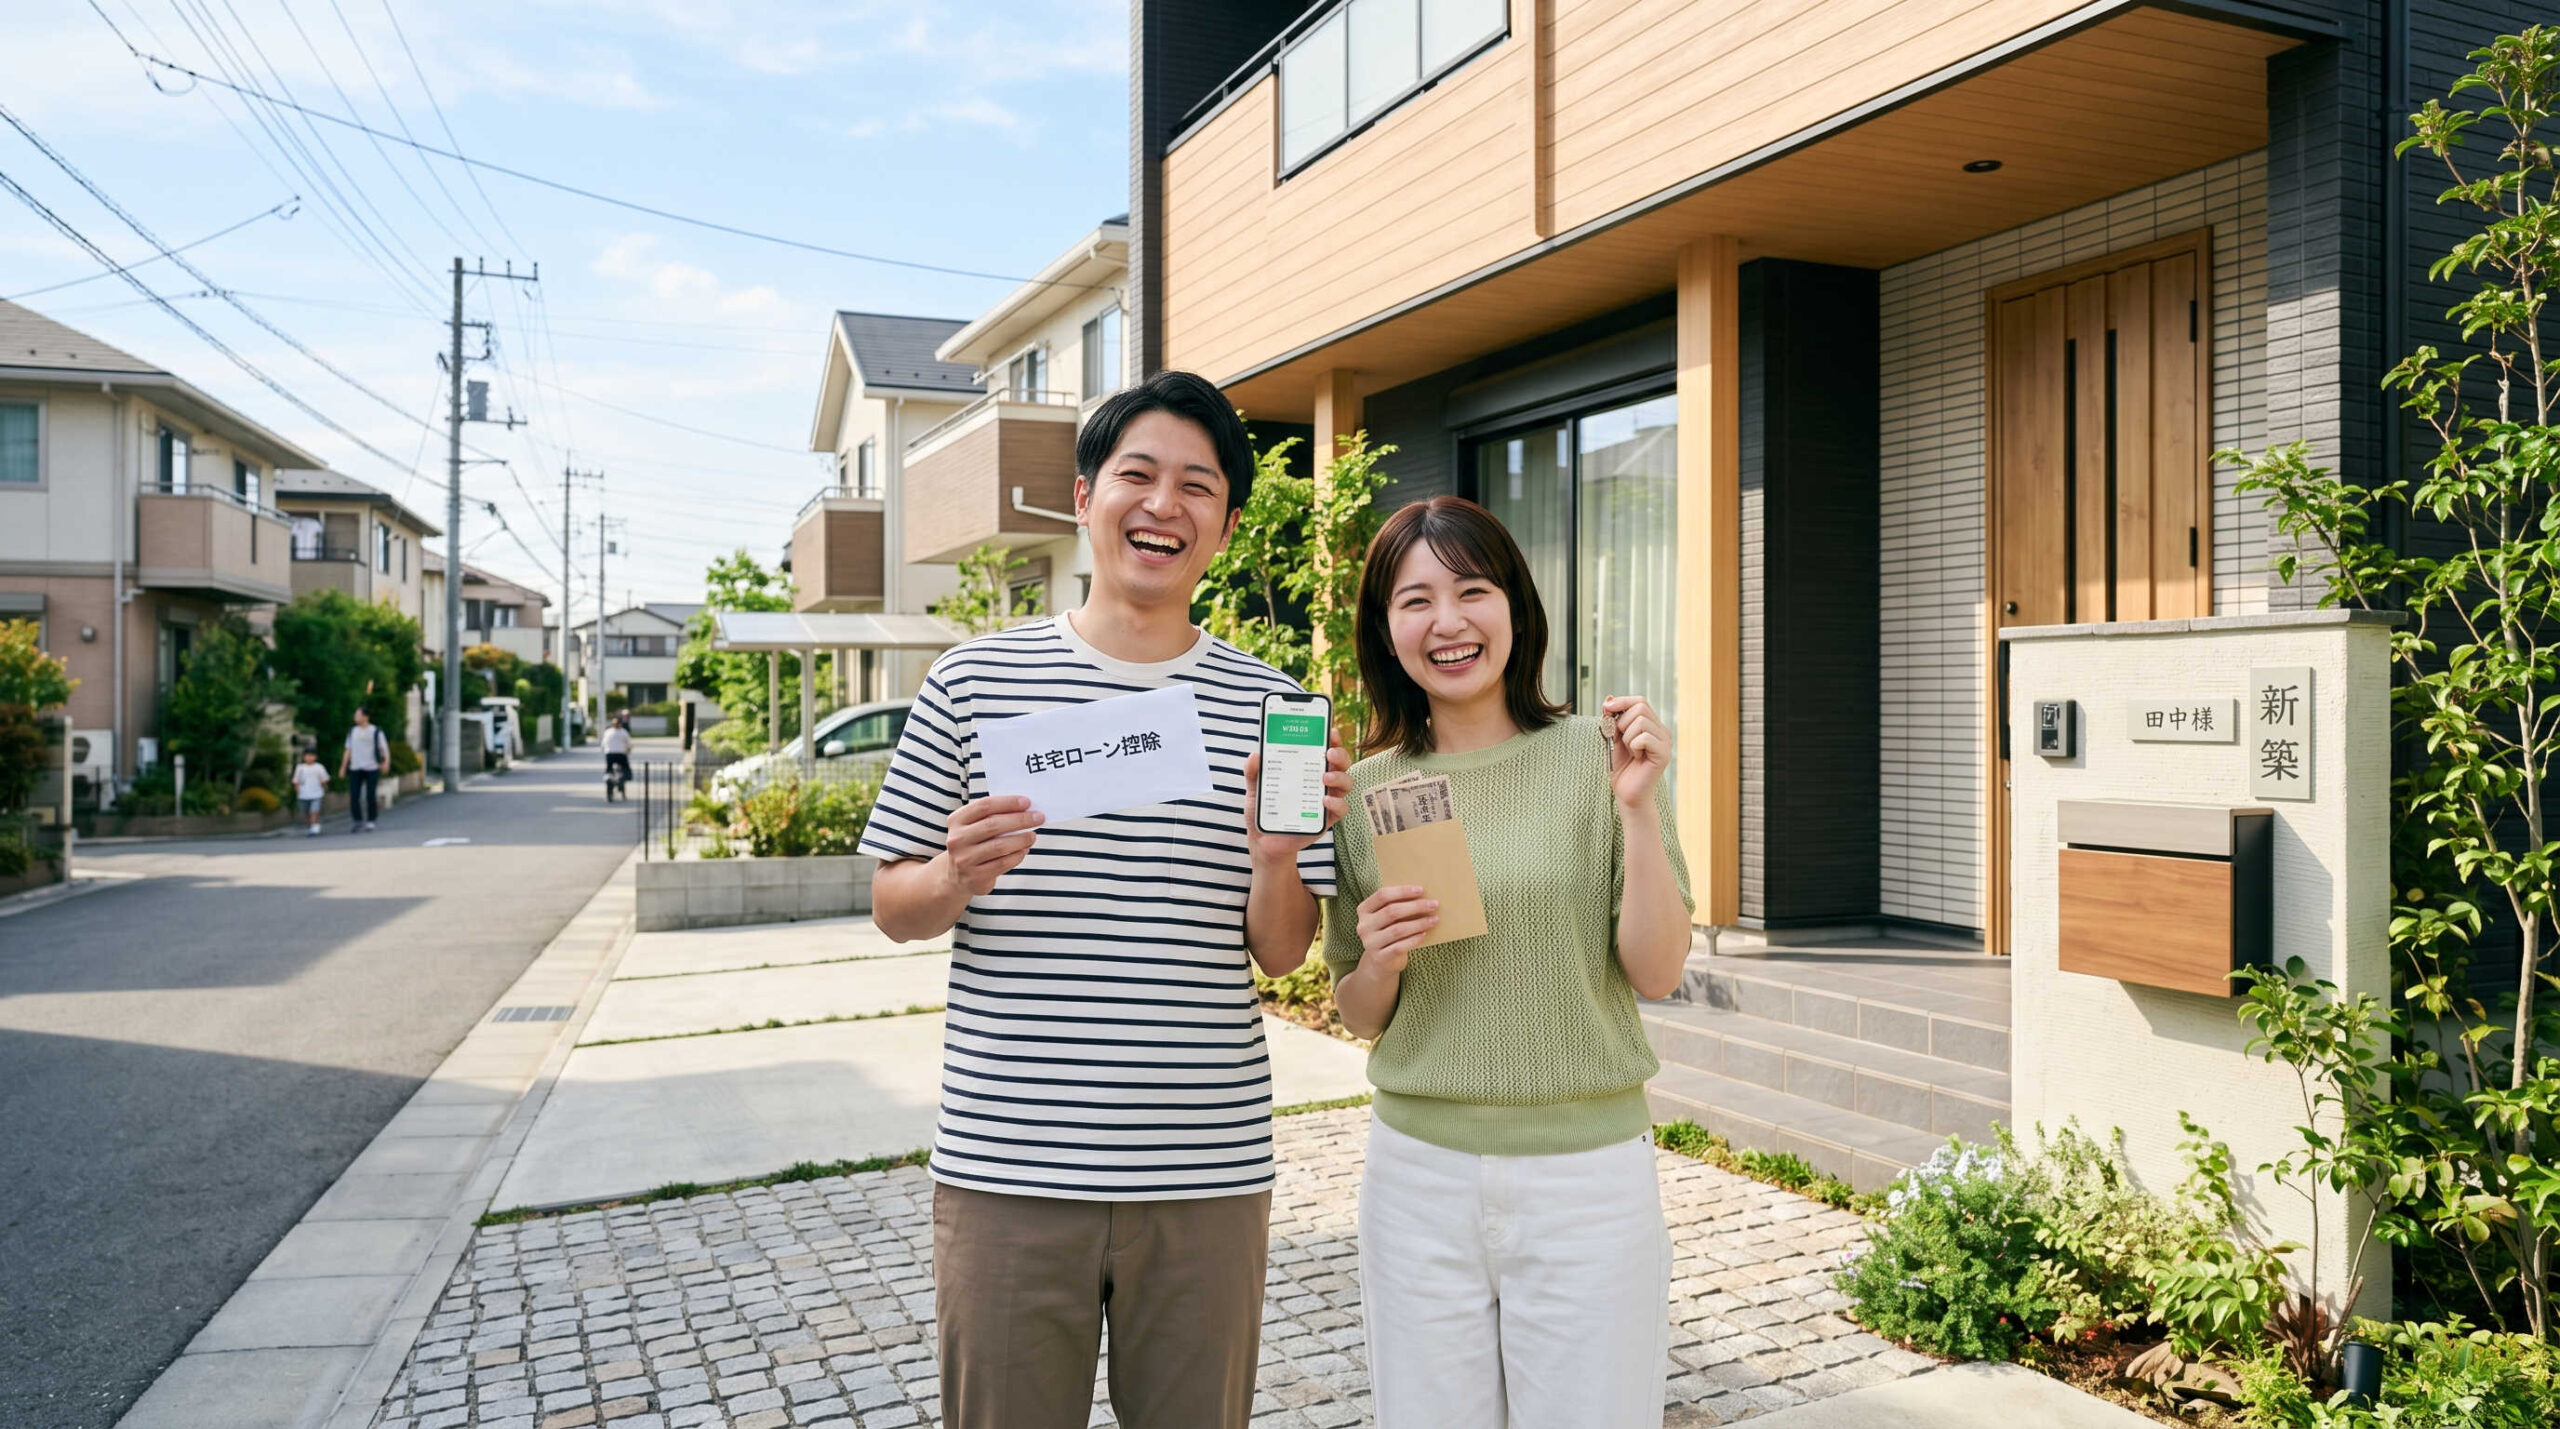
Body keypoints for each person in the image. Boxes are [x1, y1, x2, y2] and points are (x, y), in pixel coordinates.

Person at [860, 370, 1349, 1429]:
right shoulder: (972, 685)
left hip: (1205, 1172)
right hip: (1008, 1167)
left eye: (1197, 486)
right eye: (1137, 474)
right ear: (1084, 496)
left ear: (1223, 523)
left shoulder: (1274, 707)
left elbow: (1283, 952)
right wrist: (954, 873)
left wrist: (1276, 856)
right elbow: (894, 904)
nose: (1162, 505)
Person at [1323, 495, 1693, 1428]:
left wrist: (1640, 808)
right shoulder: (1367, 791)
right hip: (1417, 1176)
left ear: (1516, 609)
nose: (1447, 622)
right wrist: (1380, 957)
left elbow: (1656, 971)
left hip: (1589, 1174)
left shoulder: (1599, 760)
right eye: (1414, 601)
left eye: (1471, 590)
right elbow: (1358, 1010)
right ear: (1386, 631)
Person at [339, 706, 388, 832]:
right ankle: (358, 820)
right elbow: (348, 750)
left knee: (370, 795)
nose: (356, 717)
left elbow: (384, 748)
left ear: (366, 717)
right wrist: (343, 767)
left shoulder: (375, 731)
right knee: (354, 795)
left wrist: (386, 762)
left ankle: (371, 820)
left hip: (372, 767)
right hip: (355, 767)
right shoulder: (352, 731)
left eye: (358, 715)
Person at [291, 749, 328, 837]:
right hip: (303, 794)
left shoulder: (319, 767)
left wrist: (325, 789)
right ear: (304, 757)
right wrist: (297, 791)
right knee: (304, 813)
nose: (309, 757)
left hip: (316, 793)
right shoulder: (300, 768)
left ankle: (314, 828)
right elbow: (296, 781)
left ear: (315, 757)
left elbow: (323, 780)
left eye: (311, 755)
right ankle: (310, 827)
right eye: (307, 755)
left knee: (314, 811)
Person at [601, 714, 632, 800]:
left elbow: (603, 744)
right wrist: (628, 750)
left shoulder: (608, 732)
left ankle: (608, 777)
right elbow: (629, 744)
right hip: (621, 754)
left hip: (610, 754)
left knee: (609, 769)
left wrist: (604, 750)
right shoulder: (624, 732)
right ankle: (623, 780)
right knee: (625, 768)